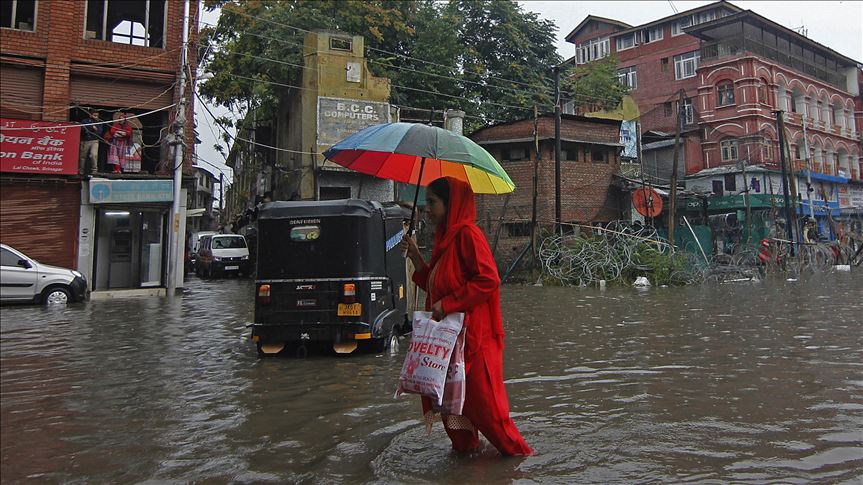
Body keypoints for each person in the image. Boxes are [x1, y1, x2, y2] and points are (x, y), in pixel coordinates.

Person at [399, 177, 533, 457]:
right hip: (448, 344)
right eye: (426, 205)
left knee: (489, 412)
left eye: (432, 203)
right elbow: (438, 285)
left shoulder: (468, 235)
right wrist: (416, 258)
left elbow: (488, 279)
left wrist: (448, 304)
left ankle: (519, 457)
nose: (426, 211)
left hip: (475, 343)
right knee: (451, 411)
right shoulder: (444, 239)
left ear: (451, 205)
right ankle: (467, 458)